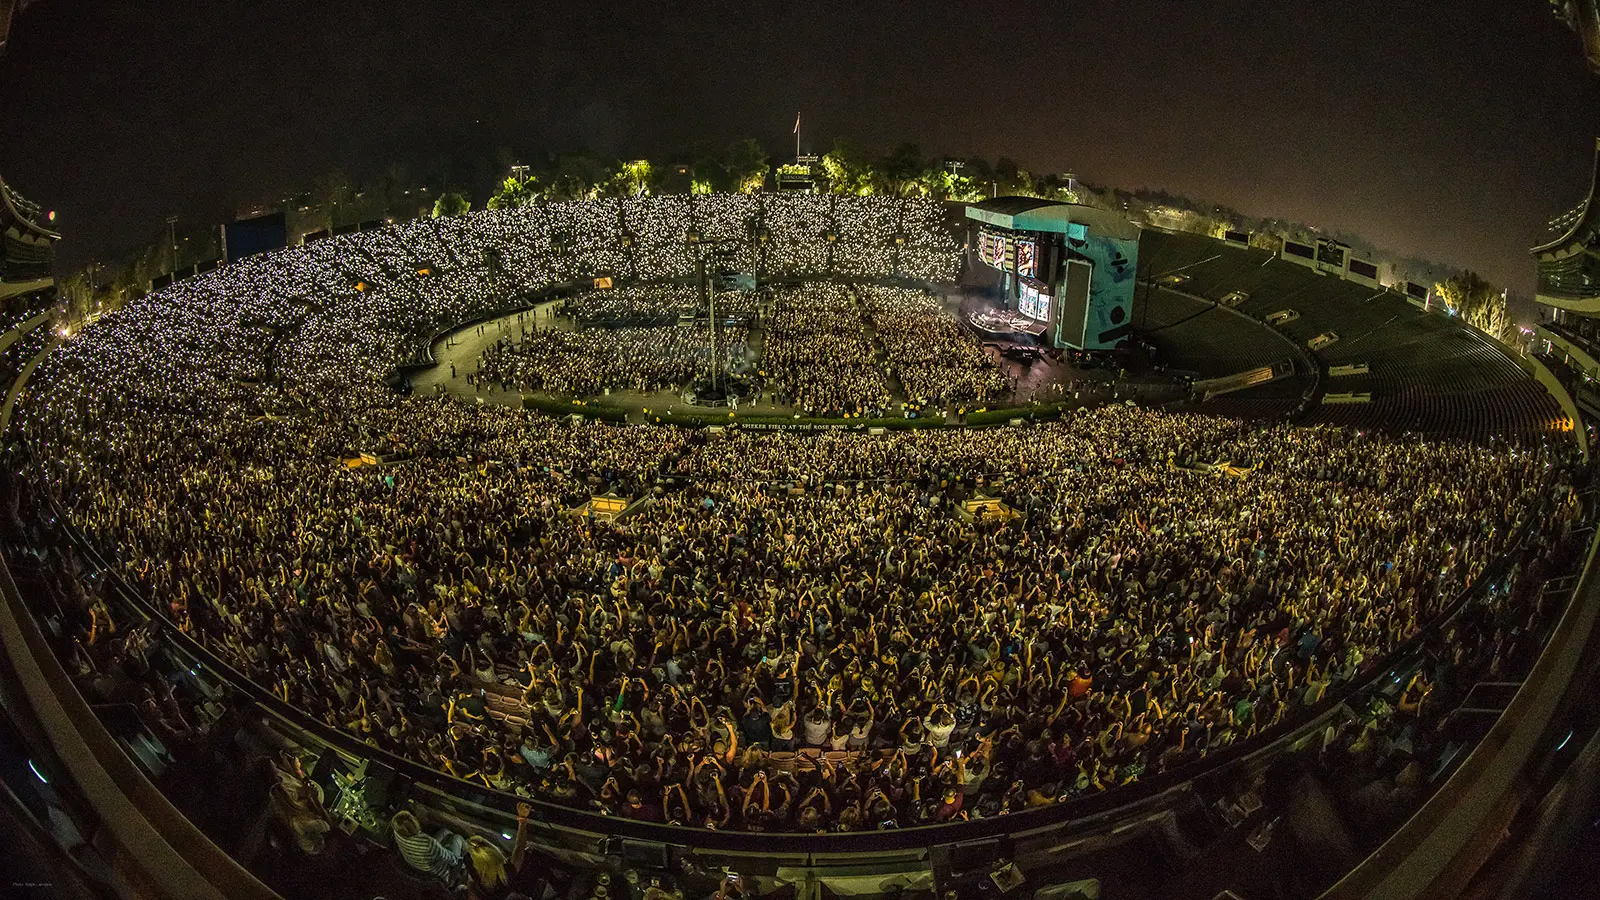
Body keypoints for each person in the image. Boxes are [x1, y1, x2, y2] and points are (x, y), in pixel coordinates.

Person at [391, 809, 464, 882]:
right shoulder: (428, 843)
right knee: (457, 838)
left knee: (445, 831)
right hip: (441, 872)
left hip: (420, 866)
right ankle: (468, 856)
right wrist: (459, 862)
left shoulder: (397, 832)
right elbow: (453, 859)